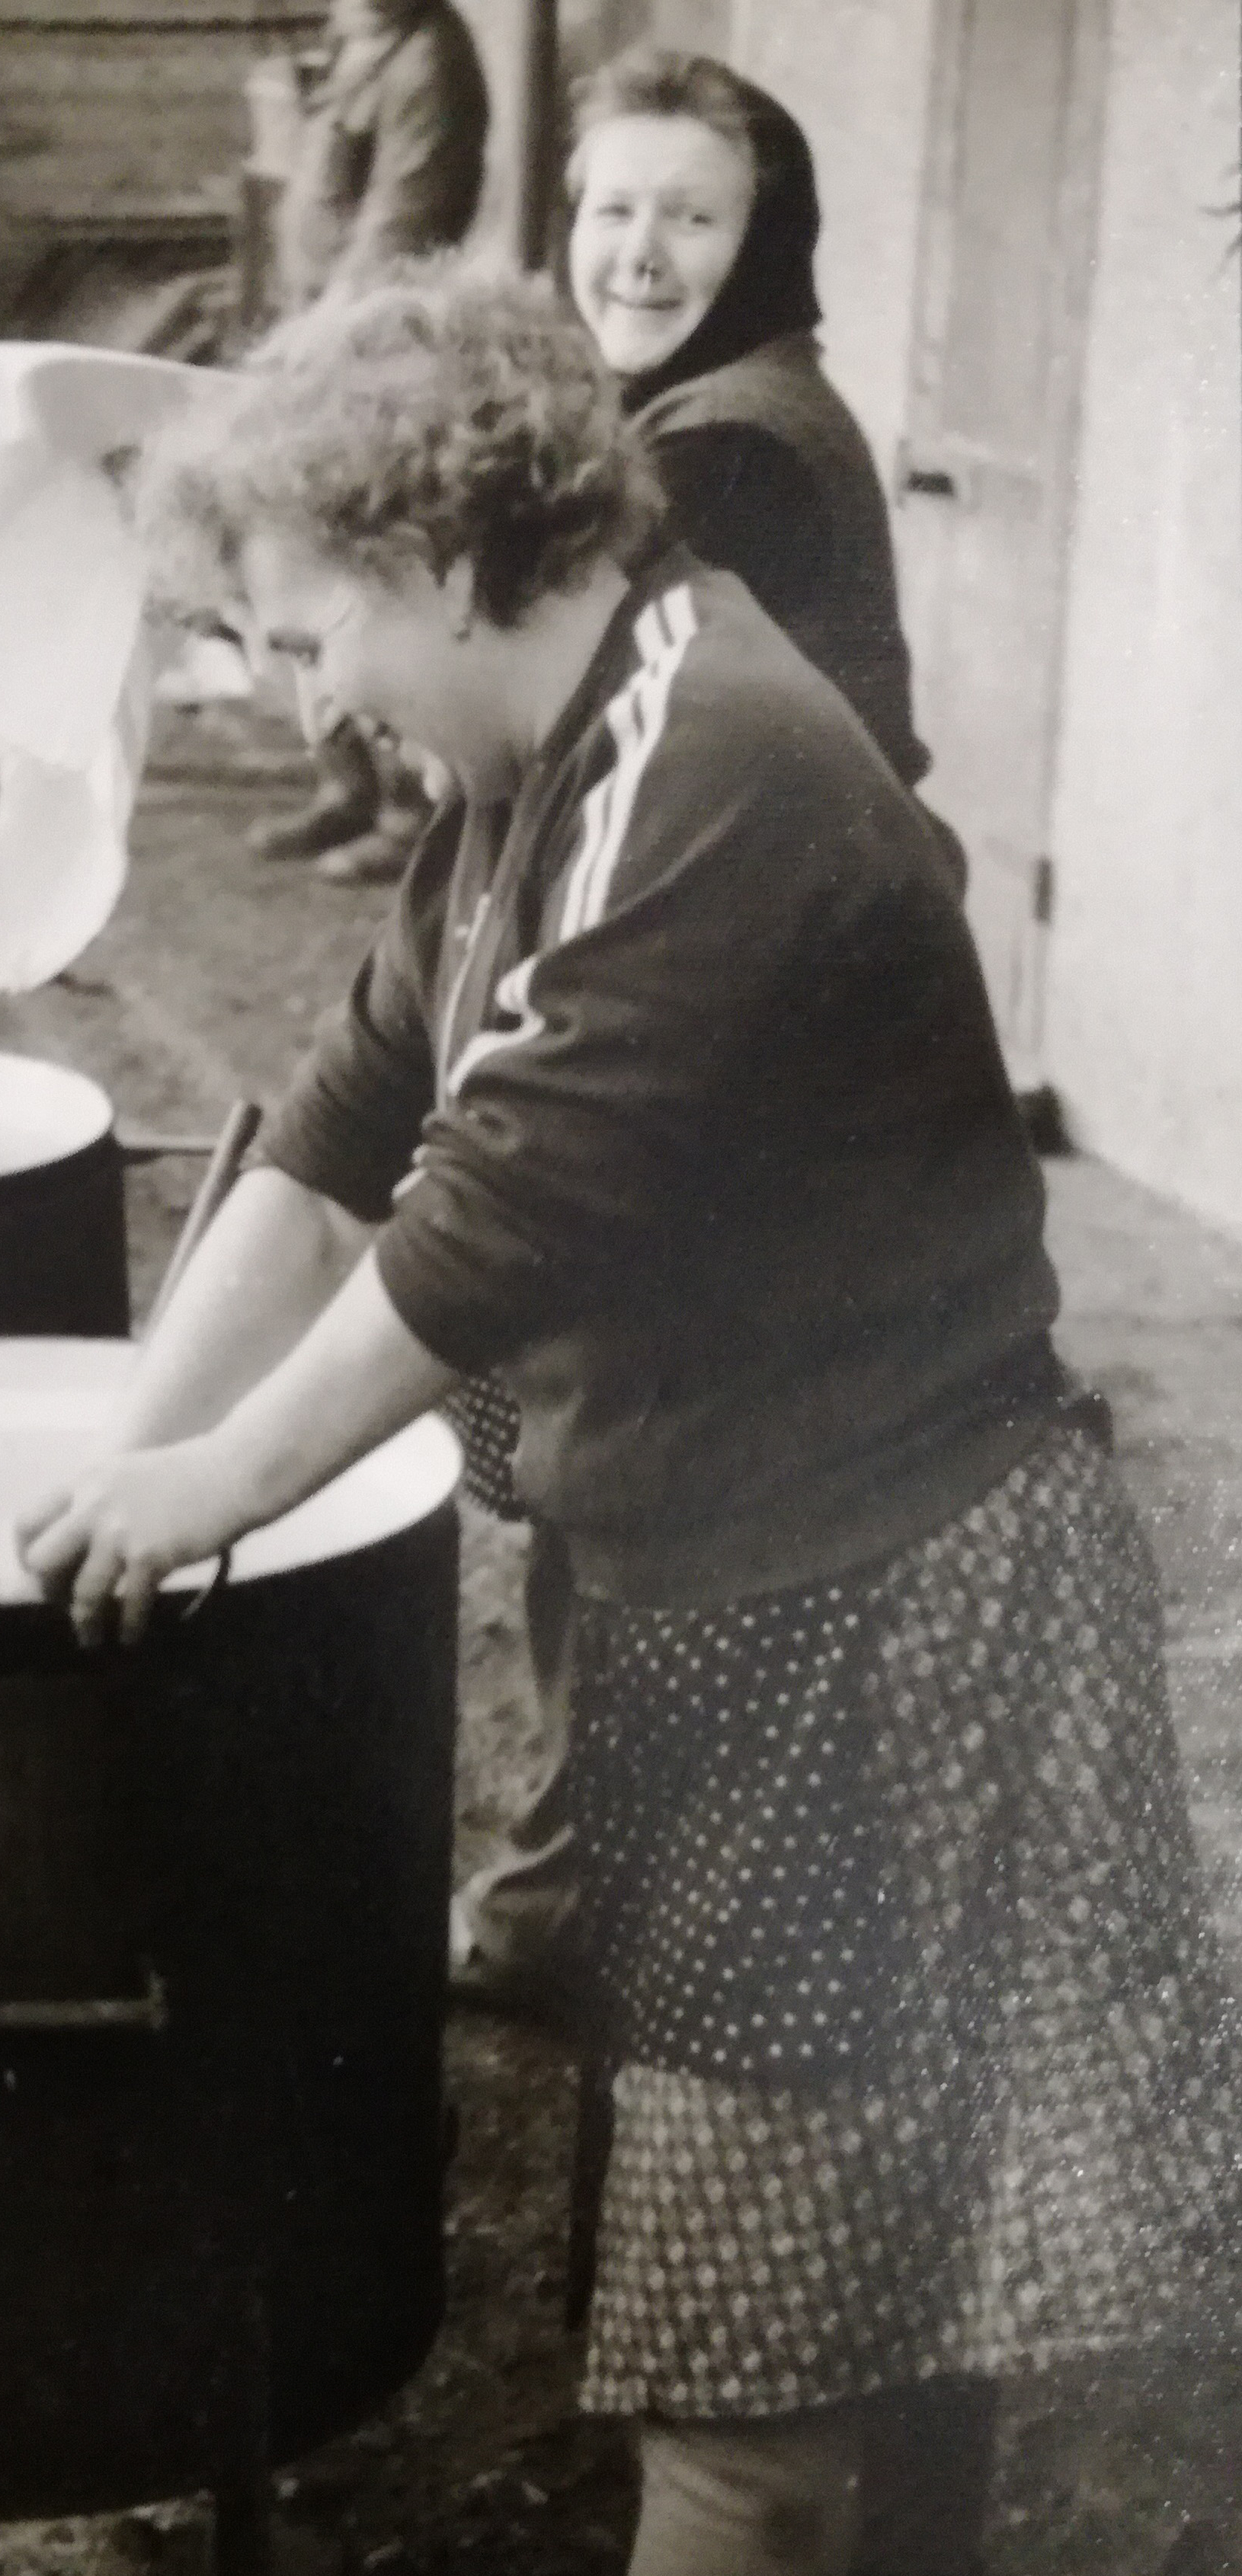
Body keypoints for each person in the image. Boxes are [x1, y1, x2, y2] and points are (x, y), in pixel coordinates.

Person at [14, 267, 1241, 2576]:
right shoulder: (544, 750)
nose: (300, 692)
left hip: (867, 1609)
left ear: (439, 552)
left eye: (302, 629)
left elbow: (482, 1227)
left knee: (754, 2316)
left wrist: (208, 1493)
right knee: (851, 2214)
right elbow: (348, 1116)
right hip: (769, 1570)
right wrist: (111, 1449)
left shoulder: (709, 775)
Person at [456, 46, 959, 2027]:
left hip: (749, 1026)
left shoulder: (729, 446)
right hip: (755, 996)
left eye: (690, 215)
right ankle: (613, 1892)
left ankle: (595, 1911)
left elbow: (579, 716)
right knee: (654, 1470)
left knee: (639, 1459)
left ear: (762, 240)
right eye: (610, 210)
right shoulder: (700, 409)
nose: (639, 252)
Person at [248, 0, 488, 884]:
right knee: (301, 567)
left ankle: (405, 810)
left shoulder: (427, 59)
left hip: (372, 354)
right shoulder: (360, 35)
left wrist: (316, 339)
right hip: (314, 342)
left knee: (372, 571)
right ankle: (344, 782)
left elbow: (399, 226)